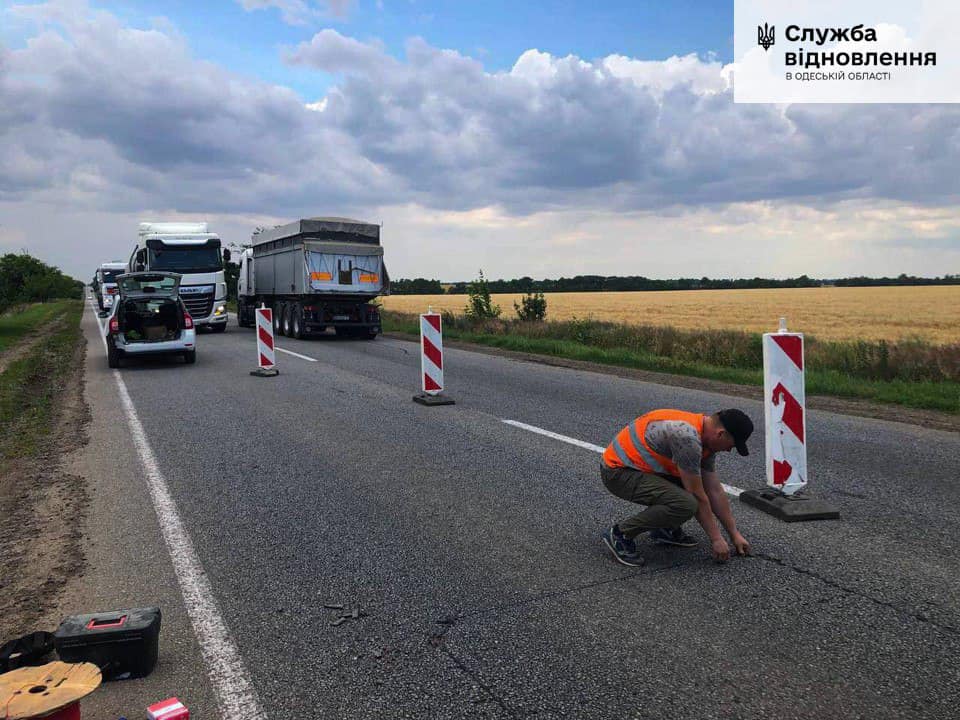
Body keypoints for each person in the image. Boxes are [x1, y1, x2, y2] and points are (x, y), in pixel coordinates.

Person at [600, 408, 754, 566]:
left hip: (639, 469)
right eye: (731, 446)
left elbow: (714, 490)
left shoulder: (705, 437)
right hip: (617, 473)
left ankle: (664, 528)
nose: (728, 450)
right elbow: (697, 495)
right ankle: (621, 534)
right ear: (720, 434)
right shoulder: (687, 438)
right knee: (686, 504)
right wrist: (716, 539)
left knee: (691, 482)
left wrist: (734, 534)